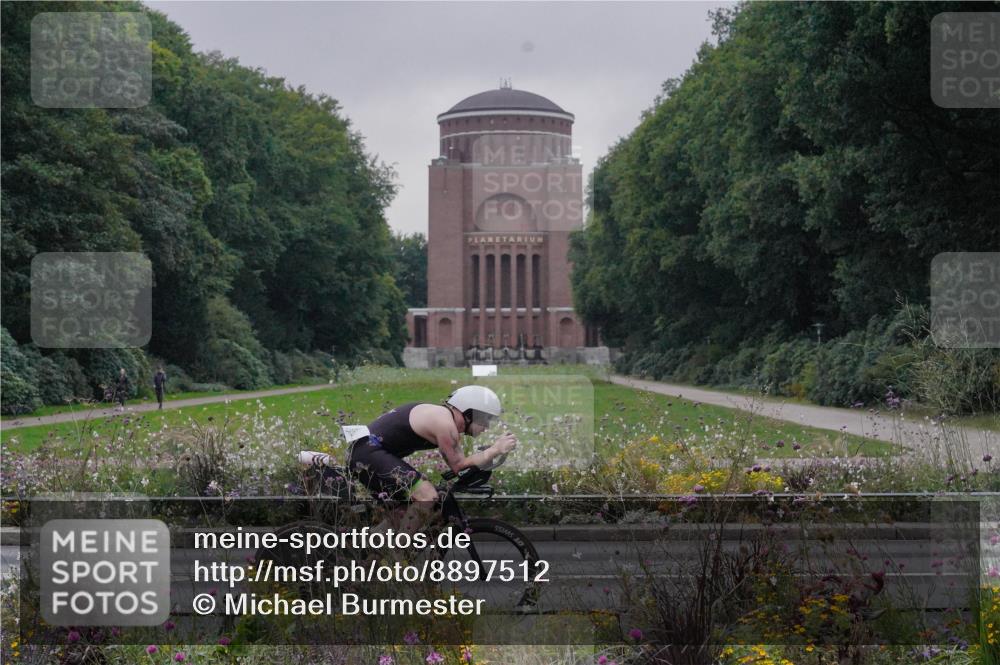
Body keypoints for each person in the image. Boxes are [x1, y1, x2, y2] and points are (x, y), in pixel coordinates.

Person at [348, 385, 516, 538]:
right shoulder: (445, 424)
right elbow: (459, 466)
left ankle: (370, 549)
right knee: (427, 495)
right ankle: (399, 554)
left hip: (366, 452)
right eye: (484, 419)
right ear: (468, 413)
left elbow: (462, 464)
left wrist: (490, 454)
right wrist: (494, 450)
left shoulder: (443, 417)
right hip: (368, 453)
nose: (486, 426)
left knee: (402, 513)